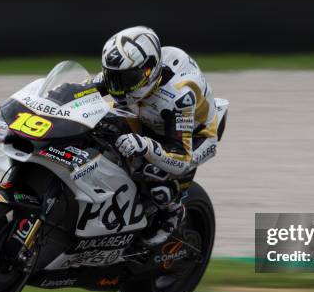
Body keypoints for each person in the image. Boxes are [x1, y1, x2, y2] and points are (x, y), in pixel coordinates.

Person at [93, 26, 221, 246]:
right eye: (114, 77)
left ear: (149, 70)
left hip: (195, 135)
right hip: (148, 119)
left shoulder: (180, 95)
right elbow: (84, 89)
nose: (118, 86)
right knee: (101, 129)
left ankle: (172, 213)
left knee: (153, 172)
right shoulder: (127, 72)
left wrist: (146, 146)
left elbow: (181, 157)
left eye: (127, 79)